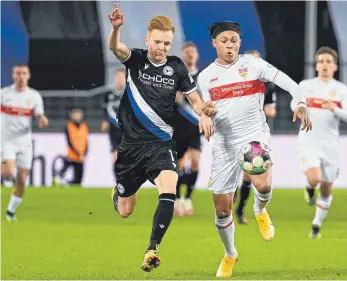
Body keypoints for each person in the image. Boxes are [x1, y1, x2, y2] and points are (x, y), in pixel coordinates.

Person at [197, 21, 312, 278]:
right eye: (224, 40)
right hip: (224, 144)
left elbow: (291, 84)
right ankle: (230, 253)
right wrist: (206, 112)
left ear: (240, 42)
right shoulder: (205, 77)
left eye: (234, 40)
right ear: (214, 43)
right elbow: (204, 108)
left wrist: (300, 104)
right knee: (222, 210)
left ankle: (260, 209)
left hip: (254, 136)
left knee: (262, 186)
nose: (230, 44)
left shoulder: (253, 65)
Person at [107, 3, 215, 272]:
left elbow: (194, 99)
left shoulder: (177, 68)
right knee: (125, 211)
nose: (162, 48)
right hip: (131, 147)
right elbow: (115, 48)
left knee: (170, 185)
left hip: (161, 144)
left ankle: (152, 248)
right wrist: (116, 29)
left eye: (167, 43)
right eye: (157, 42)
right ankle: (117, 194)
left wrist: (204, 111)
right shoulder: (136, 59)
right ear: (147, 40)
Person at [291, 46, 347, 239]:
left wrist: (335, 109)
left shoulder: (341, 90)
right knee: (315, 178)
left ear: (335, 66)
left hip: (330, 145)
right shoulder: (306, 85)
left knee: (326, 189)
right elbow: (295, 102)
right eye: (321, 61)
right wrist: (299, 108)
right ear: (316, 65)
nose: (324, 65)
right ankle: (309, 187)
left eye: (328, 62)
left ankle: (316, 224)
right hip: (309, 141)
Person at [234, 49, 277, 224]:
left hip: (256, 133)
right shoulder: (235, 84)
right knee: (236, 172)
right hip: (235, 132)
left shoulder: (268, 85)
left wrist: (267, 110)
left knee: (249, 173)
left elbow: (271, 110)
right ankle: (234, 205)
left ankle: (241, 209)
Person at [1, 64, 49, 221]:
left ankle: (10, 211)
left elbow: (39, 114)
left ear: (28, 76)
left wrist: (41, 119)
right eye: (17, 73)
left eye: (23, 73)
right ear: (13, 76)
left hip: (25, 141)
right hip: (6, 139)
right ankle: (6, 176)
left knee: (21, 180)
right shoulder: (4, 94)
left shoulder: (34, 96)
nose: (20, 76)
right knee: (8, 172)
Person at [173, 42, 201, 216]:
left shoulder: (203, 77)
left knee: (196, 161)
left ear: (196, 55)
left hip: (195, 125)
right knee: (178, 164)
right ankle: (177, 198)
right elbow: (172, 99)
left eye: (193, 52)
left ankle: (188, 197)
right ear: (183, 55)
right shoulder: (177, 76)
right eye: (187, 52)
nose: (190, 55)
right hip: (178, 125)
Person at [101, 68, 125, 179]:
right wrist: (105, 121)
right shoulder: (108, 94)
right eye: (118, 77)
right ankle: (117, 182)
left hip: (127, 131)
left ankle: (128, 182)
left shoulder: (130, 93)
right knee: (115, 157)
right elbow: (104, 109)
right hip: (114, 131)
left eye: (122, 77)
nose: (120, 80)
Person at [54, 109, 89, 186]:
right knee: (63, 171)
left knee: (79, 178)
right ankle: (58, 181)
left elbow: (86, 141)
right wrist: (78, 153)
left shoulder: (84, 126)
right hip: (72, 155)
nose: (77, 116)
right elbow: (70, 142)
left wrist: (85, 153)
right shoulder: (69, 126)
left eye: (78, 114)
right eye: (75, 114)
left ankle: (70, 185)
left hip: (81, 157)